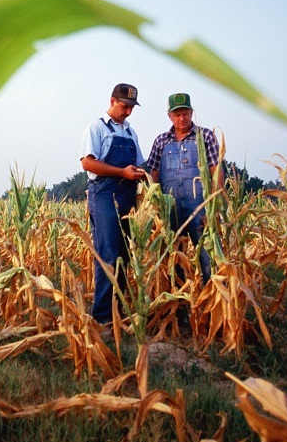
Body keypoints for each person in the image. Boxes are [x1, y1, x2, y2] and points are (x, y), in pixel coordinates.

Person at [80, 83, 147, 324]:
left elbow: (139, 164)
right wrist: (122, 172)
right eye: (124, 106)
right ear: (112, 101)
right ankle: (102, 318)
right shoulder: (97, 127)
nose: (128, 112)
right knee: (108, 255)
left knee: (124, 256)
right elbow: (87, 163)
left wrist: (145, 177)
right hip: (104, 196)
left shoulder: (130, 132)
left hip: (127, 197)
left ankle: (117, 312)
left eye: (131, 108)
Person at [147, 92, 219, 285]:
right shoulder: (161, 141)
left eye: (185, 113)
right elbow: (153, 175)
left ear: (191, 112)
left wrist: (216, 201)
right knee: (173, 257)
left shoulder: (205, 136)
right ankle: (178, 300)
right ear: (169, 116)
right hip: (170, 210)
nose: (182, 118)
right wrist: (155, 206)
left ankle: (211, 296)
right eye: (177, 114)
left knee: (207, 254)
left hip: (200, 208)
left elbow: (216, 170)